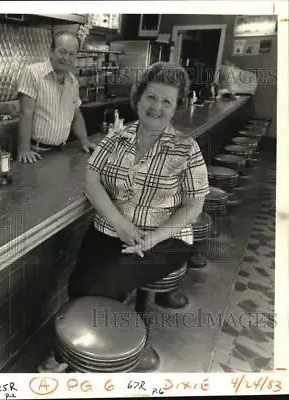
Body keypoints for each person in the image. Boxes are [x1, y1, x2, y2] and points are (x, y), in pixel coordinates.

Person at [38, 61, 210, 373]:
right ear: (138, 98)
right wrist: (121, 224)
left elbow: (194, 205)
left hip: (165, 238)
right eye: (151, 98)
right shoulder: (117, 138)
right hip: (112, 228)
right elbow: (91, 180)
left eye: (166, 101)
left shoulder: (186, 148)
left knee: (106, 281)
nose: (156, 108)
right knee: (80, 281)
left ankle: (87, 357)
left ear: (176, 107)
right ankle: (87, 347)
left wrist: (151, 237)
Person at [17, 30, 96, 163]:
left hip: (61, 151)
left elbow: (76, 115)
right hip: (36, 153)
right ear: (51, 51)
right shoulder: (32, 73)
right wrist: (24, 149)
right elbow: (26, 113)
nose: (66, 58)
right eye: (62, 51)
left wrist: (84, 141)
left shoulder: (73, 81)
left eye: (71, 54)